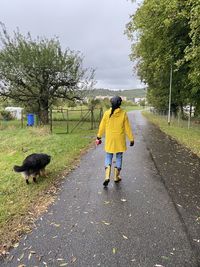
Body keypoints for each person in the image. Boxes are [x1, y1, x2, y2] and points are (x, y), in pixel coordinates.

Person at [96, 96, 134, 187]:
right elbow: (127, 128)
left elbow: (102, 126)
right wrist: (131, 139)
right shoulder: (123, 114)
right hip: (119, 140)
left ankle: (106, 176)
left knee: (108, 156)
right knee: (119, 156)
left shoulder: (106, 113)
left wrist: (99, 136)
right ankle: (116, 177)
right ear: (120, 104)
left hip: (110, 139)